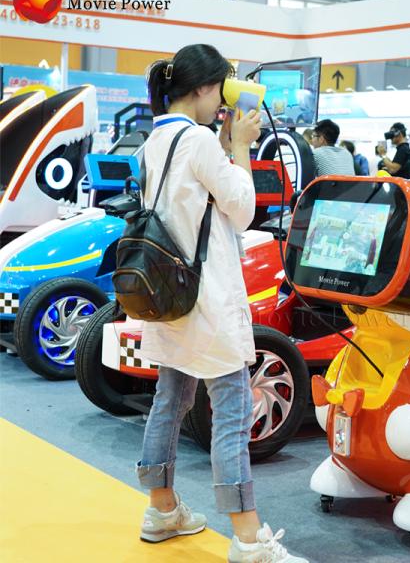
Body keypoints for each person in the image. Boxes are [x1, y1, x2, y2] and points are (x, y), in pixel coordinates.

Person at [139, 44, 307, 563]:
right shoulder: (198, 141)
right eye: (220, 93)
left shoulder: (156, 139)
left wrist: (226, 142)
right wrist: (239, 146)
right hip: (207, 300)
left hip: (168, 295)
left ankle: (161, 509)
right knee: (232, 412)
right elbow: (243, 209)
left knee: (170, 400)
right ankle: (250, 539)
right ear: (205, 88)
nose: (222, 105)